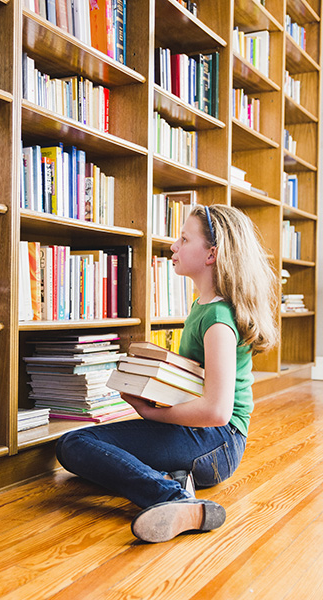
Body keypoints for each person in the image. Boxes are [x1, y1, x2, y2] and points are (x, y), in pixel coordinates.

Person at [56, 204, 278, 543]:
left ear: (211, 254)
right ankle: (175, 477)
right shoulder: (203, 306)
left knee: (76, 442)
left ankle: (174, 498)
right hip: (207, 439)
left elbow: (218, 412)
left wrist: (148, 412)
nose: (173, 246)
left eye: (184, 239)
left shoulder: (218, 319)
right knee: (87, 452)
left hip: (218, 442)